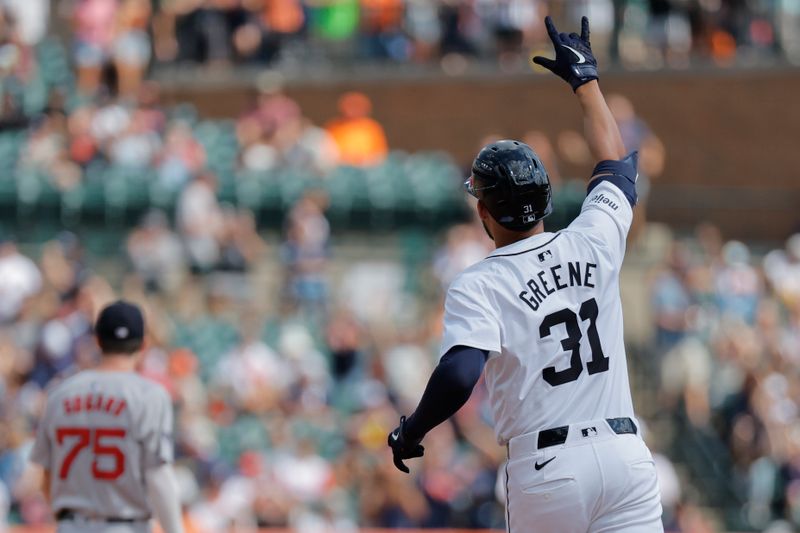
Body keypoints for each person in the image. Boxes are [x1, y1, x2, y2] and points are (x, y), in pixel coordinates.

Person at [387, 16, 663, 533]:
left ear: (483, 213)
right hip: (626, 454)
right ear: (547, 200)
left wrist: (412, 430)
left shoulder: (480, 282)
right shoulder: (592, 237)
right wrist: (587, 84)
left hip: (548, 468)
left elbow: (459, 375)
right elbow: (616, 164)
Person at [30, 301, 184, 533]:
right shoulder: (149, 395)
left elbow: (46, 477)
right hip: (125, 525)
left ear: (97, 341)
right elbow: (158, 475)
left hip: (72, 525)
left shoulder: (60, 394)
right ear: (144, 344)